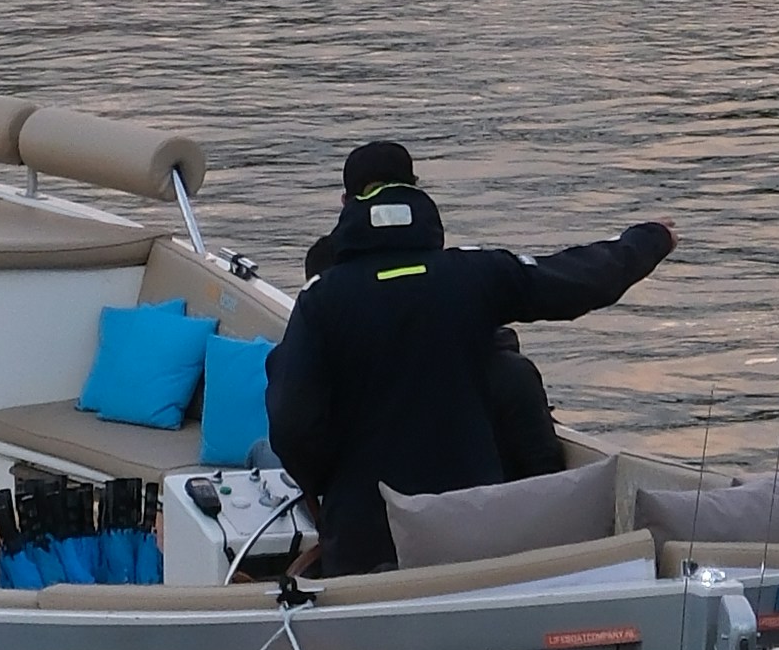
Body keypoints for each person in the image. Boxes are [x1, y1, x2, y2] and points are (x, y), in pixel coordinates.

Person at [267, 137, 676, 575]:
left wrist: (326, 487)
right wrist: (648, 240)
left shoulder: (321, 300)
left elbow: (293, 426)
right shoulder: (475, 275)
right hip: (474, 529)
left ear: (346, 202)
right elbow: (578, 280)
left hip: (367, 538)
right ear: (416, 189)